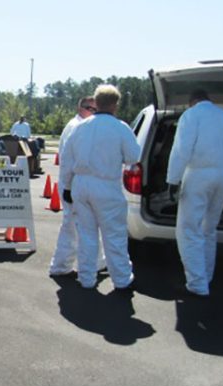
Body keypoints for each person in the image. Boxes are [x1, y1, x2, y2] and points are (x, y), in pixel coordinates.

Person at [59, 85, 140, 290]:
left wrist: (67, 187)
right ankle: (121, 280)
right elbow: (133, 156)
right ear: (115, 104)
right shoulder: (120, 127)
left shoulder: (80, 127)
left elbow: (67, 160)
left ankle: (86, 278)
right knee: (114, 236)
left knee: (86, 235)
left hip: (81, 185)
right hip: (107, 185)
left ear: (97, 102)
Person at [166, 89, 223, 298]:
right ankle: (206, 276)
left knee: (189, 229)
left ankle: (197, 284)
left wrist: (173, 179)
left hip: (199, 175)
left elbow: (181, 149)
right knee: (209, 228)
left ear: (192, 102)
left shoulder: (191, 116)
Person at [48, 97, 107, 277]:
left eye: (95, 109)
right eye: (89, 108)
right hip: (72, 185)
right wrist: (68, 187)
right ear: (80, 108)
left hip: (75, 185)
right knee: (72, 227)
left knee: (81, 226)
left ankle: (94, 262)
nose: (92, 112)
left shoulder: (84, 127)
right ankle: (62, 266)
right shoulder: (76, 127)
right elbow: (67, 161)